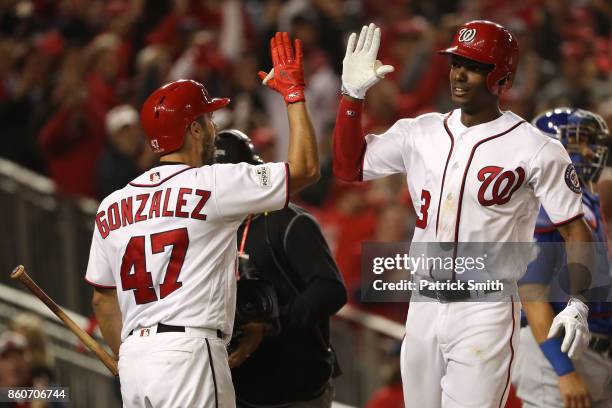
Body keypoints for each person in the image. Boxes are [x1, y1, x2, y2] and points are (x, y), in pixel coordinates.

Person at [332, 21, 594, 407]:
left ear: (501, 77)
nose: (458, 73)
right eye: (456, 62)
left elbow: (576, 229)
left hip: (485, 308)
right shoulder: (420, 131)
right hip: (423, 301)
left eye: (472, 65)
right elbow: (346, 166)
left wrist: (578, 302)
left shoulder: (536, 148)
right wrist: (351, 97)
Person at [85, 31, 319, 408]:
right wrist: (293, 96)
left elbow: (102, 301)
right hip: (190, 353)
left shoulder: (111, 205)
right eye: (208, 119)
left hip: (136, 360)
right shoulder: (213, 183)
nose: (213, 127)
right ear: (193, 128)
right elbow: (306, 169)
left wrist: (124, 357)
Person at [214, 129, 347, 408]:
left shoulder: (288, 221)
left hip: (297, 387)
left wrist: (272, 322)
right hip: (240, 388)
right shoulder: (209, 228)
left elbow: (331, 290)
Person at [513, 108, 612, 408]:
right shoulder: (544, 206)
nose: (588, 151)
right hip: (558, 353)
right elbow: (532, 294)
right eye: (579, 142)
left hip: (594, 354)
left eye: (590, 142)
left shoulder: (585, 202)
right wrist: (564, 371)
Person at [96, 104, 156, 200]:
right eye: (122, 132)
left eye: (132, 128)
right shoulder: (108, 165)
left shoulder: (155, 149)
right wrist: (141, 168)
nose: (129, 136)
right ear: (112, 138)